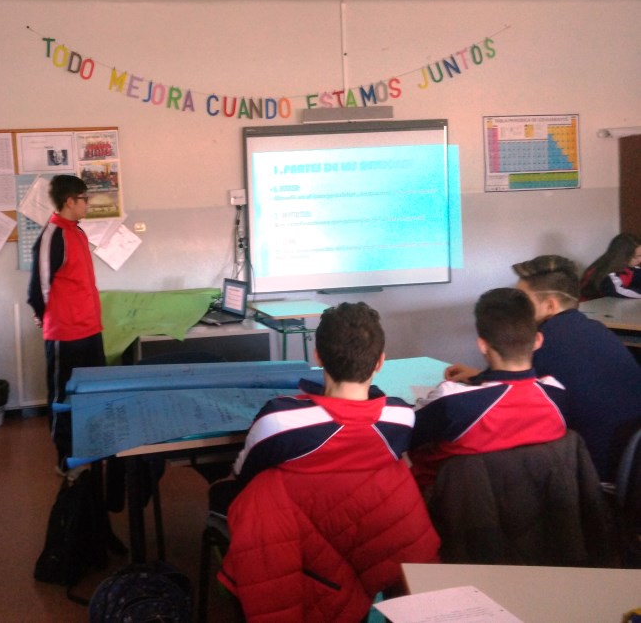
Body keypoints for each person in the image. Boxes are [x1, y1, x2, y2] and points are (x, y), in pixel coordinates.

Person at [216, 303, 440, 623]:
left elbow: (243, 475)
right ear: (380, 362)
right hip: (368, 538)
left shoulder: (279, 419)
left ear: (317, 356)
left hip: (293, 545)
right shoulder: (401, 416)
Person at [446, 255, 641, 482]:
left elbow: (502, 403)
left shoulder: (542, 342)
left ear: (550, 305)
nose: (517, 310)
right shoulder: (596, 329)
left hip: (593, 474)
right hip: (629, 465)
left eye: (523, 302)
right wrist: (480, 376)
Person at [409, 288, 568, 489]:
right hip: (529, 498)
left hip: (445, 498)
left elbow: (405, 433)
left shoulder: (452, 400)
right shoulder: (556, 395)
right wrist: (479, 378)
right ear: (538, 340)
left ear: (482, 345)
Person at [27, 174, 104, 470]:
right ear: (70, 201)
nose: (88, 205)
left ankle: (91, 448)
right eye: (84, 199)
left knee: (92, 392)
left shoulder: (78, 232)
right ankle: (66, 457)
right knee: (65, 396)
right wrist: (45, 317)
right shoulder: (53, 236)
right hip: (66, 334)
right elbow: (38, 289)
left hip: (90, 329)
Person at [580, 232, 641, 300]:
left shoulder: (630, 267)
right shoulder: (606, 273)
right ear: (622, 256)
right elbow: (619, 291)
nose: (640, 260)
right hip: (591, 305)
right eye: (636, 257)